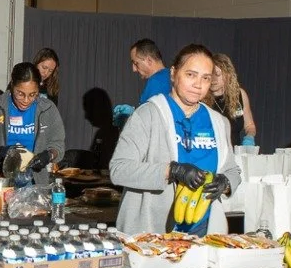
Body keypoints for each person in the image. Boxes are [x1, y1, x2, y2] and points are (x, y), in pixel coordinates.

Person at [110, 44, 240, 235]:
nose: (198, 84)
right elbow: (119, 170)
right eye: (190, 75)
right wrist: (172, 170)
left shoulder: (218, 122)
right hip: (153, 233)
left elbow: (232, 170)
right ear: (173, 73)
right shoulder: (148, 114)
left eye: (206, 78)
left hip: (203, 231)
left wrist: (226, 182)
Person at [0, 64, 65, 187]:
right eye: (20, 94)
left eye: (33, 94)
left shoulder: (48, 109)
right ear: (12, 86)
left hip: (34, 182)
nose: (26, 100)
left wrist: (49, 155)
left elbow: (58, 145)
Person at [210, 53, 257, 147]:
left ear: (228, 75)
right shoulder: (200, 98)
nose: (213, 79)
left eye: (217, 75)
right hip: (211, 154)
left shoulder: (239, 95)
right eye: (210, 75)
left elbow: (249, 125)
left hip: (235, 153)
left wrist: (249, 137)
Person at [130, 38, 169, 103]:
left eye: (136, 63)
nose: (134, 69)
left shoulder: (156, 81)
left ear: (149, 61)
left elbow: (149, 112)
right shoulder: (172, 77)